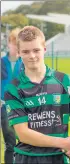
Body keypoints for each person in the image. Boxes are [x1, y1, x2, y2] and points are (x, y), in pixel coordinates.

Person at [4, 26, 70, 164]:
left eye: (36, 50)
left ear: (44, 49)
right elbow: (23, 134)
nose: (32, 56)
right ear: (19, 53)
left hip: (58, 158)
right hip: (26, 159)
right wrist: (63, 142)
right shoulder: (13, 88)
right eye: (26, 51)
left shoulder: (64, 81)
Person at [1, 28, 23, 164]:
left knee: (24, 142)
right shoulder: (1, 62)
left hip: (21, 108)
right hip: (4, 108)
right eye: (13, 43)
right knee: (10, 144)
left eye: (18, 44)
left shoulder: (25, 63)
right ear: (8, 43)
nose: (15, 47)